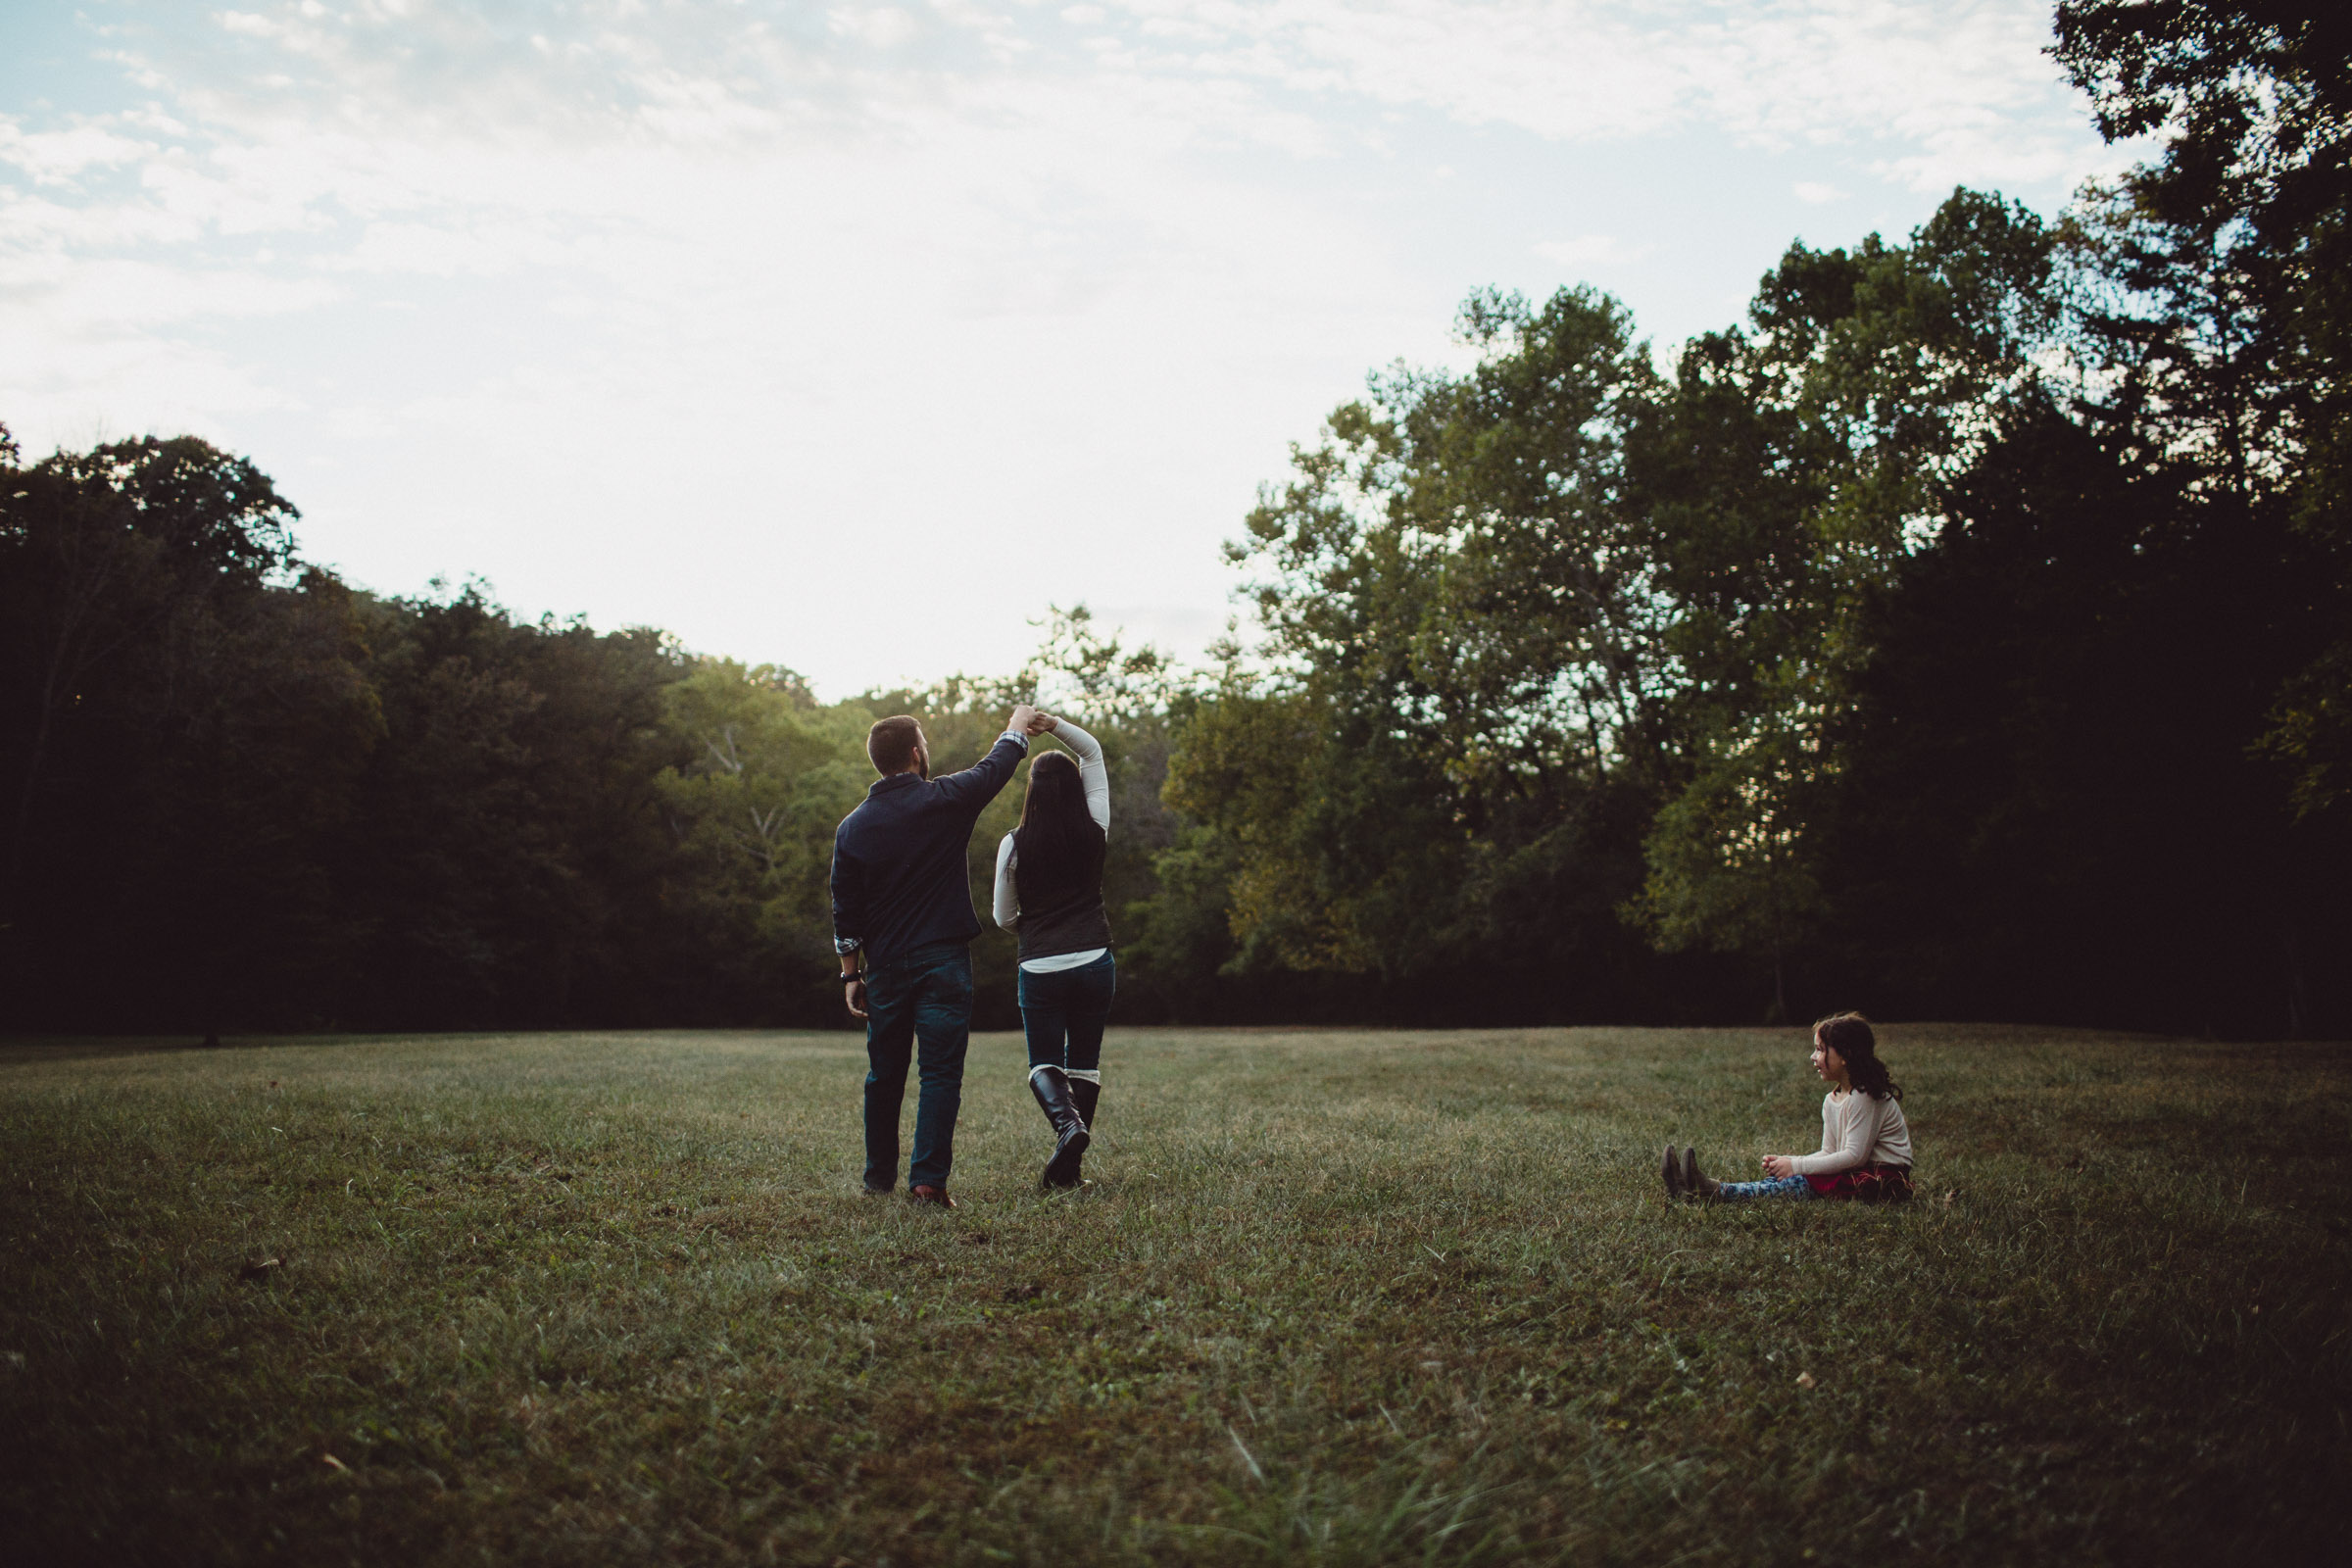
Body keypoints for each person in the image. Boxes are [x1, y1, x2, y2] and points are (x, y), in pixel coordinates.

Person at [832, 703, 1048, 1207]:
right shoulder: (944, 799)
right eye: (924, 744)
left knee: (883, 1073)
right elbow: (994, 769)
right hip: (943, 962)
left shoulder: (852, 828)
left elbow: (845, 907)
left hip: (884, 967)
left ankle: (877, 1180)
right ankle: (927, 1183)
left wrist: (850, 974)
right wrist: (1016, 728)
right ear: (914, 753)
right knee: (940, 1072)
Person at [992, 712, 1112, 1190]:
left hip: (1039, 963)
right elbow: (1094, 753)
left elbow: (1003, 917)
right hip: (1094, 959)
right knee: (1084, 1063)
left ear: (1032, 792)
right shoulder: (1096, 826)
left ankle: (1069, 1128)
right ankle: (1070, 1172)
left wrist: (1036, 930)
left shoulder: (1013, 843)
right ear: (1074, 788)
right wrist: (1054, 723)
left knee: (1044, 1062)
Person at [1666, 1011, 1915, 1204]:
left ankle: (1716, 1191)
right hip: (1856, 1172)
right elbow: (1829, 1152)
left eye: (1820, 1050)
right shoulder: (1832, 1100)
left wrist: (1797, 1166)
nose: (1813, 1057)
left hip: (1882, 1180)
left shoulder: (1865, 1096)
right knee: (1791, 1178)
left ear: (1845, 1055)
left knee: (1801, 1179)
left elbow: (1855, 1156)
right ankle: (1691, 1191)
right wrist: (1791, 1162)